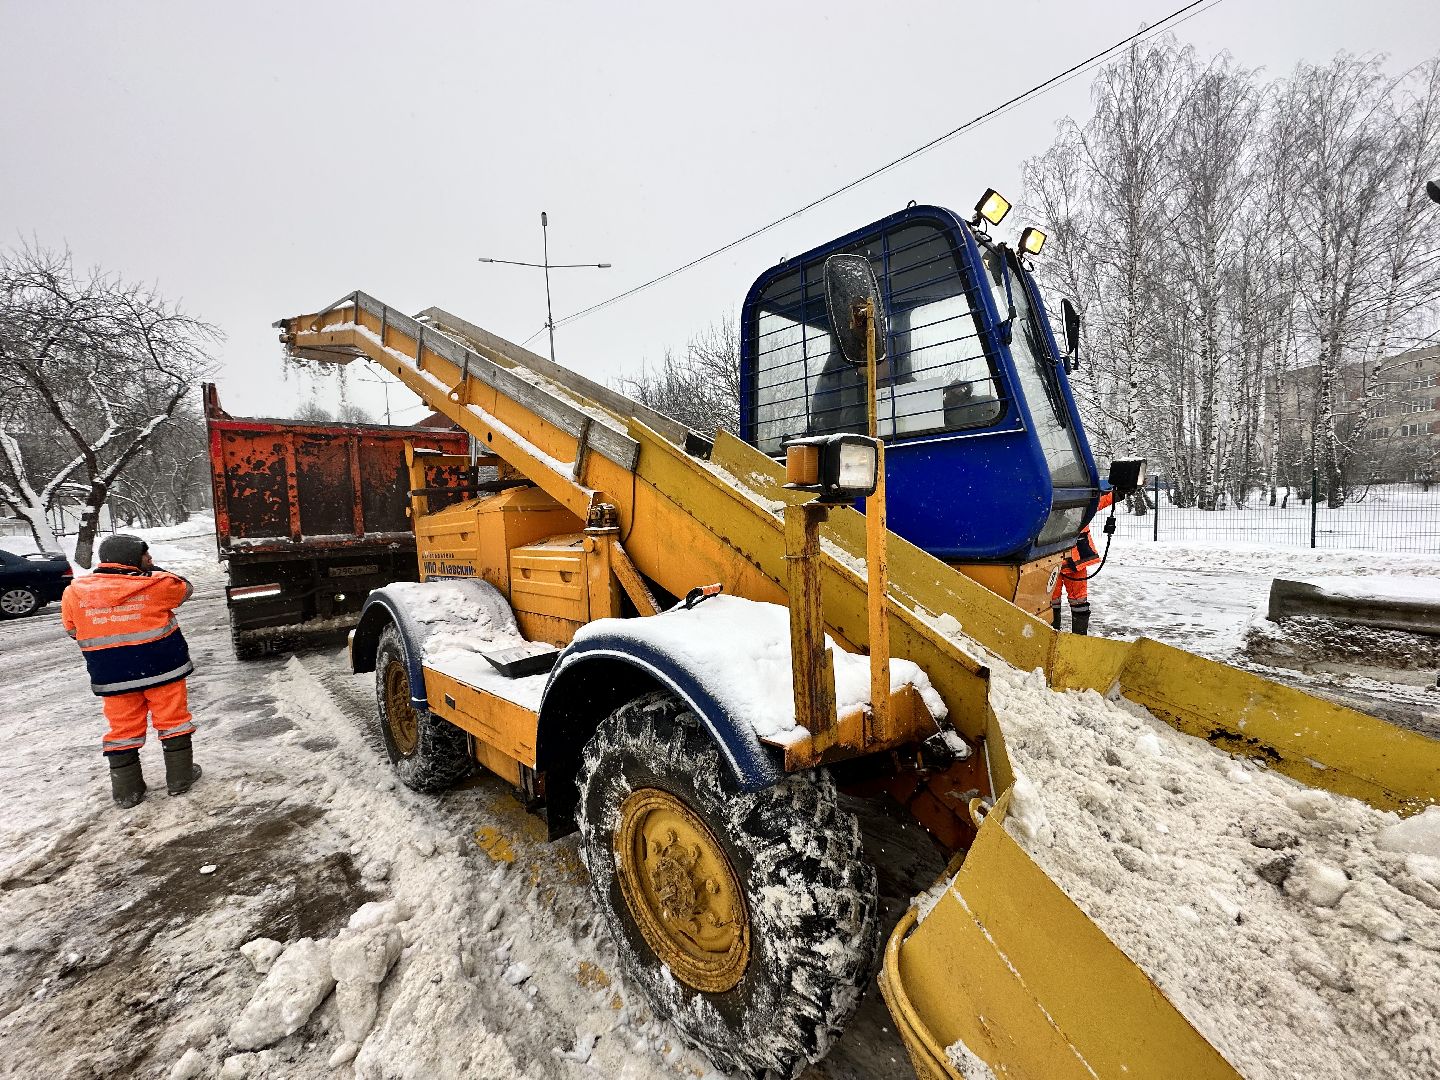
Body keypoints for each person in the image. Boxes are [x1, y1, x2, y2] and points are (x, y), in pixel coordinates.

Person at [61, 534, 202, 808]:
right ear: (132, 559)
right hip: (163, 669)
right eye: (145, 555)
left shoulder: (75, 591)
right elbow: (185, 588)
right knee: (173, 721)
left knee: (122, 729)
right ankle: (180, 779)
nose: (150, 560)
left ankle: (127, 792)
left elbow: (72, 629)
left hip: (112, 675)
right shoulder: (156, 584)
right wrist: (155, 572)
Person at [1051, 489, 1114, 636]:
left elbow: (1100, 500)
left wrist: (1119, 492)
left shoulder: (1080, 496)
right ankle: (1053, 638)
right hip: (1054, 558)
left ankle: (1074, 639)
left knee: (1072, 600)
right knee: (1050, 602)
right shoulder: (1079, 495)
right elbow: (1099, 500)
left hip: (1068, 559)